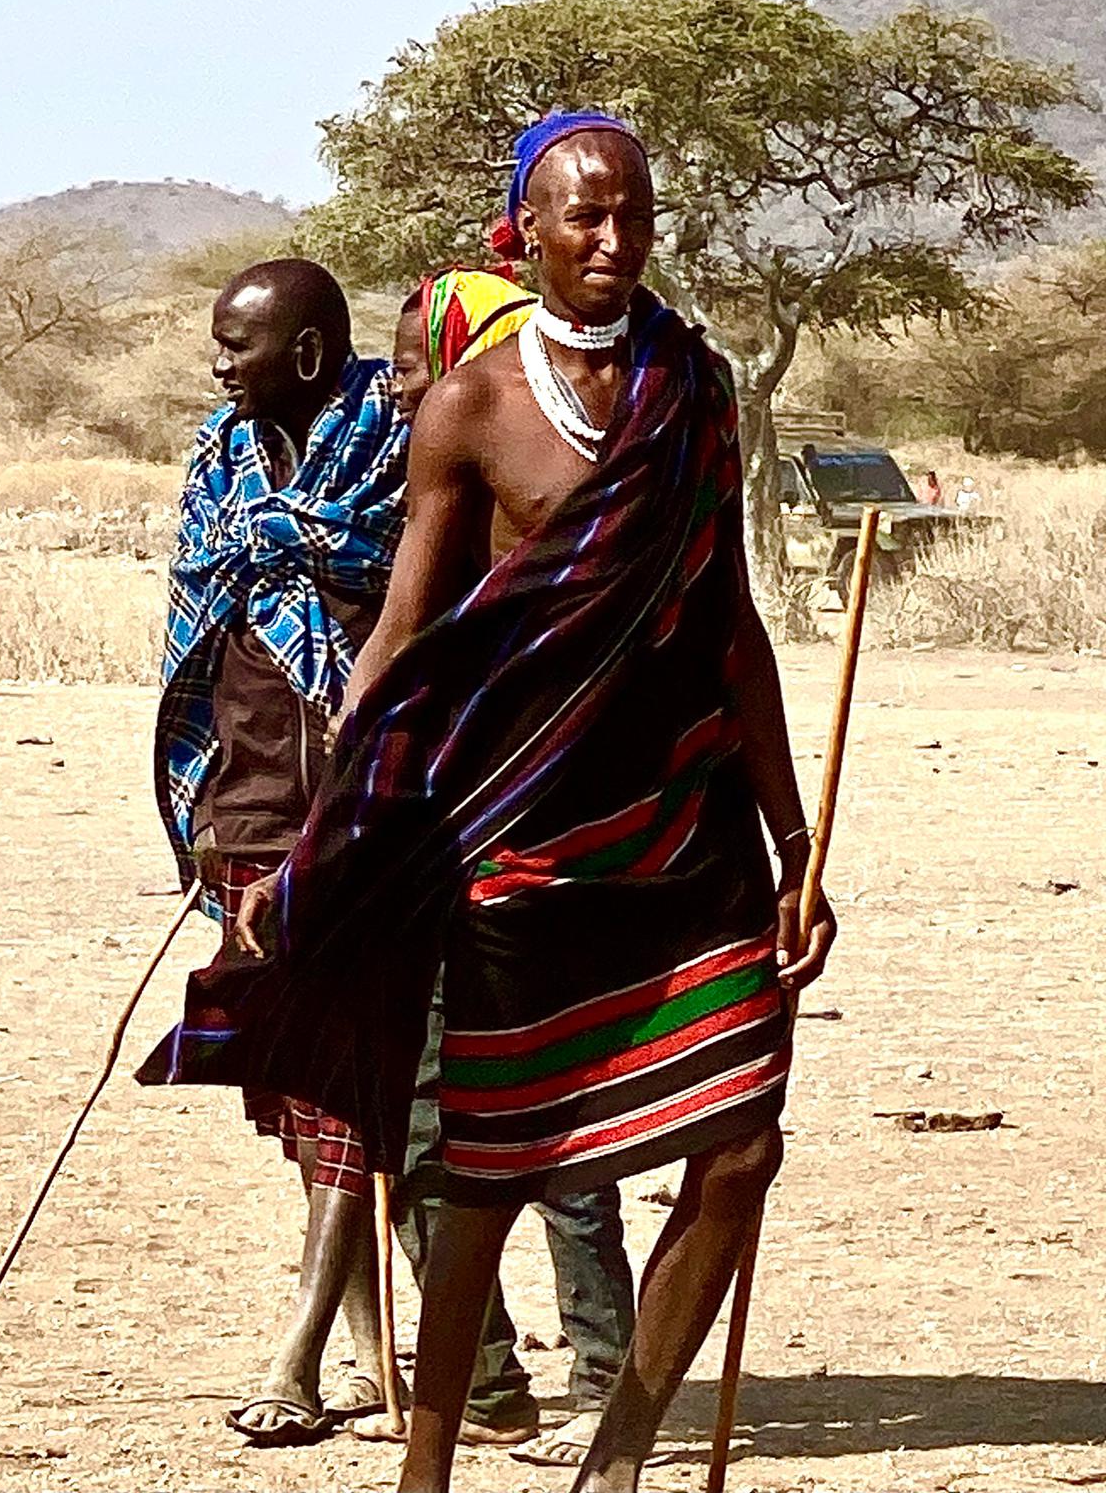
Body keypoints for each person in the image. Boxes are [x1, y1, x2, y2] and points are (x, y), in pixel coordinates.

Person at [163, 112, 836, 1493]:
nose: (613, 241)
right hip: (518, 835)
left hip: (684, 827)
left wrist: (793, 837)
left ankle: (623, 1458)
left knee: (744, 1142)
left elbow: (732, 621)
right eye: (584, 218)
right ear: (525, 234)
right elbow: (405, 632)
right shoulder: (473, 406)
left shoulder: (694, 389)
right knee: (485, 1166)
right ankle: (429, 1467)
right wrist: (330, 843)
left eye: (634, 214)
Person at [141, 258, 409, 1446]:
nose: (217, 366)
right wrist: (201, 819)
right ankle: (367, 1355)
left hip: (360, 816)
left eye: (235, 346)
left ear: (304, 356)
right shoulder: (220, 465)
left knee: (346, 1077)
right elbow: (193, 653)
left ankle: (296, 1359)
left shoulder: (403, 456)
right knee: (293, 1082)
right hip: (243, 804)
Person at [380, 268, 637, 1469]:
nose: (403, 390)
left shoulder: (520, 476)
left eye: (415, 366)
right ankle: (490, 1379)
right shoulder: (429, 478)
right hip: (443, 827)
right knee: (452, 1117)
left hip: (525, 829)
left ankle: (572, 1379)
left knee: (515, 1119)